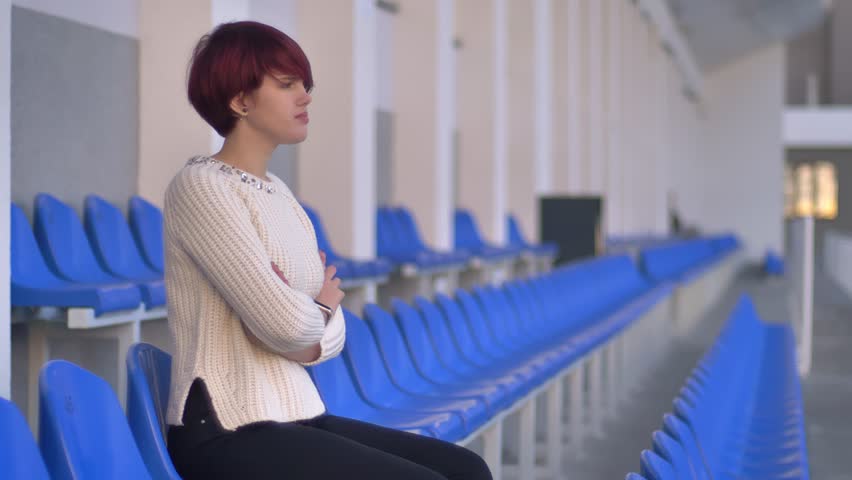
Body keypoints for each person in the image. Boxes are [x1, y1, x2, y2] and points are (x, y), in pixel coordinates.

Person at [163, 20, 492, 480]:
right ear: (240, 100)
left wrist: (305, 319)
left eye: (305, 84)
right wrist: (311, 310)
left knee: (465, 469)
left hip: (293, 413)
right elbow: (288, 323)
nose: (305, 96)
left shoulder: (278, 193)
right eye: (286, 84)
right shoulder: (201, 188)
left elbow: (325, 334)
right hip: (225, 427)